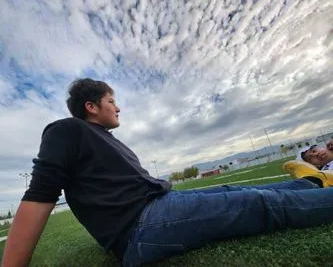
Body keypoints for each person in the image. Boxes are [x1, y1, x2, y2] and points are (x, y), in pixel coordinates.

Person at [3, 79, 333, 267]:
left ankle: (313, 183)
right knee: (256, 204)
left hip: (159, 207)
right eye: (111, 100)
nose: (118, 107)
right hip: (140, 228)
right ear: (91, 106)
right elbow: (41, 193)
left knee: (234, 191)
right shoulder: (66, 131)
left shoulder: (103, 139)